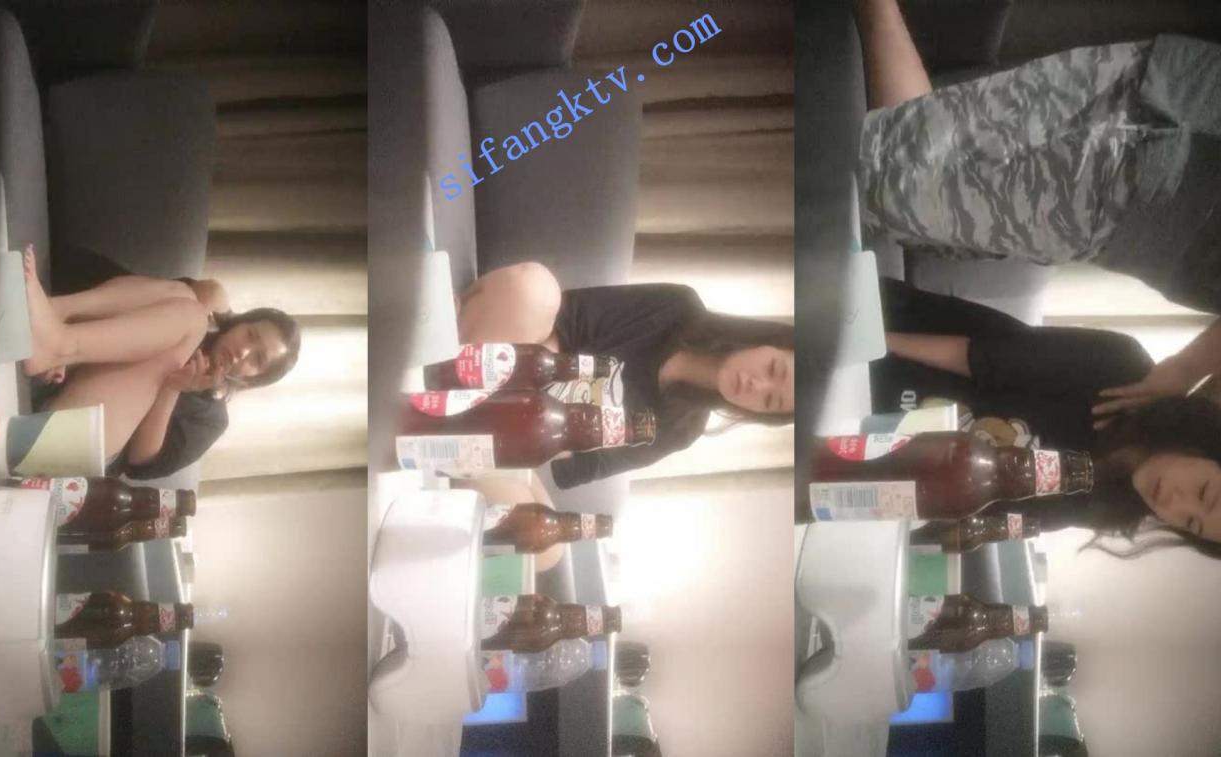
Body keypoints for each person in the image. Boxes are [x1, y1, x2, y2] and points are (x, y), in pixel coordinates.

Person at [854, 0, 1221, 426]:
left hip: (1146, 202)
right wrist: (1186, 369)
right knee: (893, 183)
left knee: (918, 202)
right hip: (1156, 157)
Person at [875, 277, 1221, 558]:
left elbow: (984, 517)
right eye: (1203, 492)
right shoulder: (1124, 369)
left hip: (882, 459)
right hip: (886, 360)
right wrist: (871, 342)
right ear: (1205, 445)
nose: (1174, 505)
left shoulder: (1106, 504)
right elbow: (976, 358)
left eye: (1190, 522)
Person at [455, 262, 794, 489]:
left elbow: (584, 462)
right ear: (765, 342)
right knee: (536, 289)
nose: (757, 385)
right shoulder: (678, 307)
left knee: (547, 549)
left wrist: (530, 426)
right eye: (773, 369)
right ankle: (452, 379)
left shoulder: (680, 430)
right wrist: (532, 385)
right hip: (524, 351)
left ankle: (456, 422)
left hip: (523, 429)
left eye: (769, 400)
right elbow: (569, 320)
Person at [23, 245, 301, 480]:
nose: (243, 352)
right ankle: (56, 320)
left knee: (191, 316)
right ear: (240, 322)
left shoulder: (212, 417)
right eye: (250, 335)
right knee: (187, 301)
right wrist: (218, 307)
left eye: (257, 360)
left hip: (76, 442)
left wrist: (172, 388)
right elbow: (205, 294)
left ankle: (59, 344)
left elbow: (141, 463)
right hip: (67, 385)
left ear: (252, 380)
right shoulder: (188, 311)